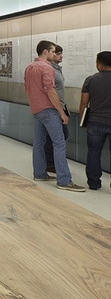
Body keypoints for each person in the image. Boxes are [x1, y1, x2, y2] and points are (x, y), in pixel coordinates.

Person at [24, 39, 84, 192]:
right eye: (52, 51)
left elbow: (28, 88)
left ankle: (39, 173)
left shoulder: (30, 67)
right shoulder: (46, 67)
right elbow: (51, 91)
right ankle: (64, 180)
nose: (54, 54)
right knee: (59, 143)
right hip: (49, 110)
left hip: (36, 110)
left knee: (38, 142)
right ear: (45, 52)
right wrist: (61, 111)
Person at [79, 51, 111, 190]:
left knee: (93, 152)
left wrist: (83, 121)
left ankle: (93, 183)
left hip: (95, 122)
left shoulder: (90, 80)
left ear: (100, 65)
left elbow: (83, 103)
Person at [43, 45, 69, 174]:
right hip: (54, 108)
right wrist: (60, 110)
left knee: (60, 136)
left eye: (60, 53)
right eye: (57, 53)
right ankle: (51, 163)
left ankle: (51, 162)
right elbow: (50, 90)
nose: (60, 55)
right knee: (55, 138)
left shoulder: (58, 69)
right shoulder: (49, 69)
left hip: (60, 106)